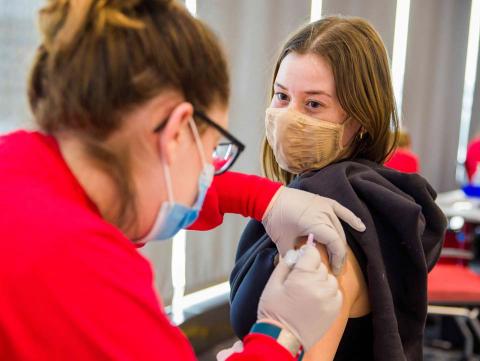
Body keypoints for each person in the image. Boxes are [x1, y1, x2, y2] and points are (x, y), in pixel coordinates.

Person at [0, 1, 367, 360]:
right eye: (210, 152)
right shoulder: (83, 269)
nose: (207, 174)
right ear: (176, 132)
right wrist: (278, 336)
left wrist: (260, 198)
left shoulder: (17, 162)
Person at [229, 16, 447, 361]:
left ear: (360, 120)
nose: (289, 117)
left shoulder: (322, 233)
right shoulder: (313, 202)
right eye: (282, 96)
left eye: (314, 104)